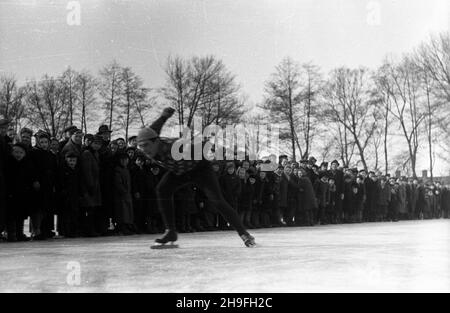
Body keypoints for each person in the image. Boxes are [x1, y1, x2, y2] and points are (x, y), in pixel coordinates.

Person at [137, 107, 255, 248]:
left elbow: (201, 145)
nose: (144, 150)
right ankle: (170, 231)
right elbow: (154, 128)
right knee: (162, 189)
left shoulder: (175, 147)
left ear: (156, 141)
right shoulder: (151, 137)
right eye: (141, 147)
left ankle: (244, 234)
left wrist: (217, 152)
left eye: (146, 146)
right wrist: (164, 116)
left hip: (200, 170)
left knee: (217, 201)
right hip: (179, 172)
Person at [80, 135, 103, 237]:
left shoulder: (95, 153)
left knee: (93, 209)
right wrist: (90, 185)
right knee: (89, 209)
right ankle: (88, 230)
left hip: (95, 184)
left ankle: (91, 229)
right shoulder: (87, 153)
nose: (97, 146)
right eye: (95, 143)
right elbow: (87, 171)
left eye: (99, 144)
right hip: (90, 185)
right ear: (91, 143)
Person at [57, 152, 81, 237]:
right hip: (65, 196)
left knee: (74, 213)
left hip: (74, 195)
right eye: (70, 160)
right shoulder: (63, 170)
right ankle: (66, 231)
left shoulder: (77, 170)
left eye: (74, 160)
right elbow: (60, 183)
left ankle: (73, 230)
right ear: (66, 160)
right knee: (66, 215)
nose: (72, 162)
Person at [113, 152, 135, 235]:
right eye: (122, 160)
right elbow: (118, 183)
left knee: (127, 211)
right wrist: (124, 191)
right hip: (121, 195)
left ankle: (127, 226)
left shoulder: (126, 169)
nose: (124, 161)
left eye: (126, 160)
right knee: (122, 212)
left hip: (127, 193)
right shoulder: (118, 170)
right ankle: (121, 227)